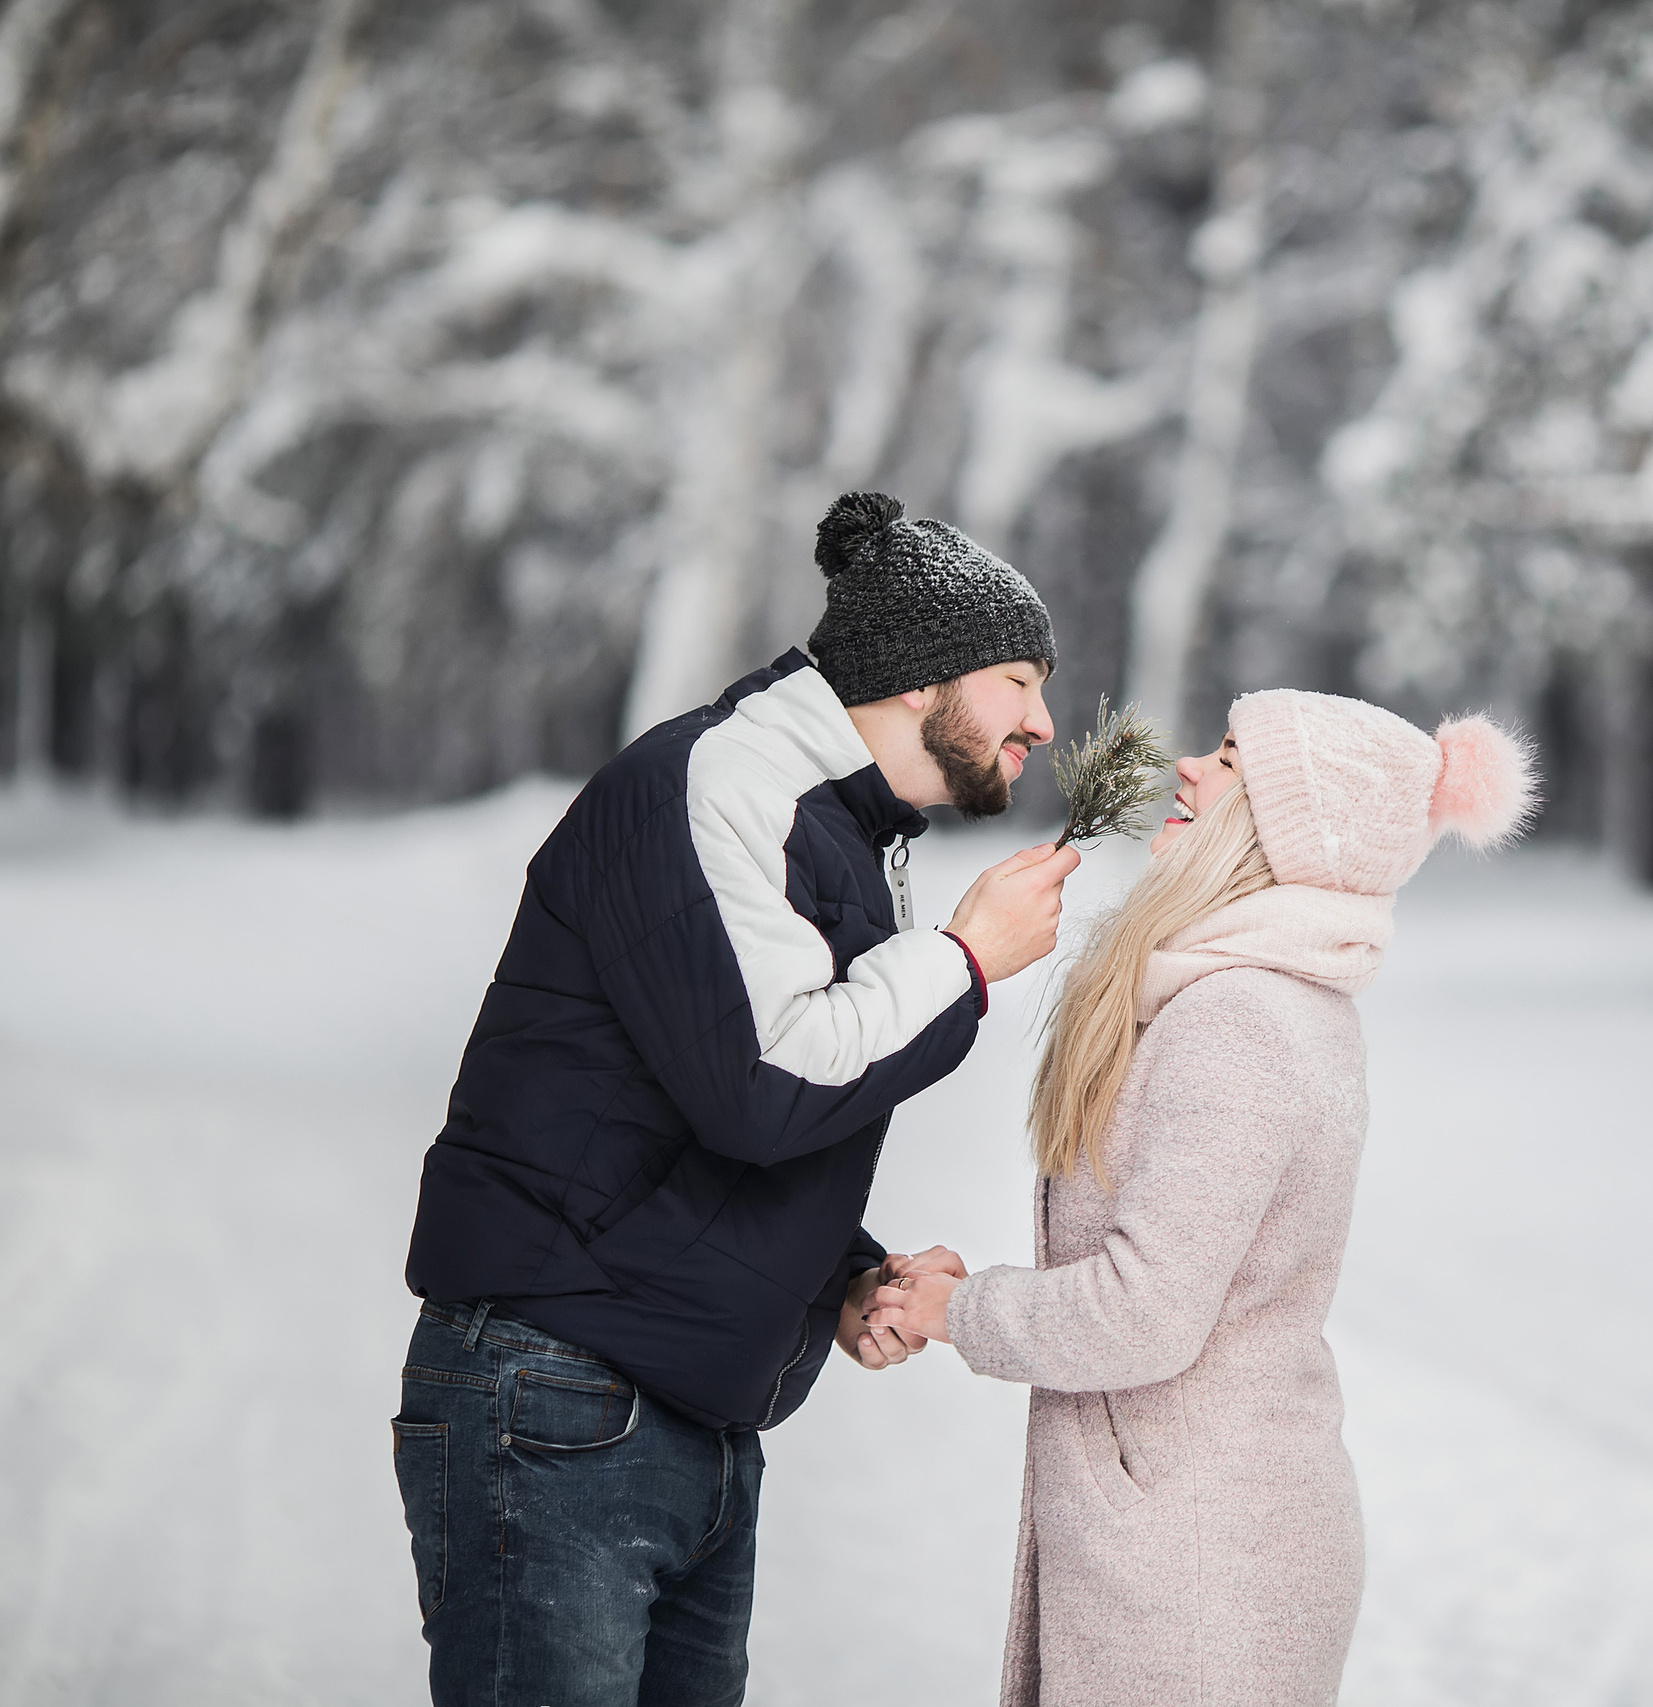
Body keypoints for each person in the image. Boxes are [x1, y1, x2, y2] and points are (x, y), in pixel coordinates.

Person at [391, 491, 1081, 1707]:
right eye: (1018, 680)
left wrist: (840, 1272)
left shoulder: (831, 824)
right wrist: (963, 961)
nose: (1041, 720)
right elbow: (766, 1086)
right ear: (922, 679)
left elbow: (700, 1096)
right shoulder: (723, 783)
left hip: (674, 1412)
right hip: (565, 1391)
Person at [865, 689, 1537, 1707]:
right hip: (1188, 1530)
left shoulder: (1241, 1021)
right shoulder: (1250, 994)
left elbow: (1144, 1312)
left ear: (1294, 825)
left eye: (1230, 760)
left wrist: (960, 1310)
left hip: (1195, 1568)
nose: (1189, 767)